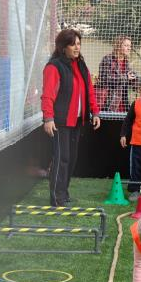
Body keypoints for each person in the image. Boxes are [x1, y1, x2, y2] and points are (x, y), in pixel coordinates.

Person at [41, 28, 101, 207]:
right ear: (63, 46)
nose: (77, 47)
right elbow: (48, 95)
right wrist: (48, 118)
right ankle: (56, 197)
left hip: (76, 121)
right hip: (59, 122)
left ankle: (63, 192)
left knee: (72, 158)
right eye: (73, 44)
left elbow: (89, 90)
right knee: (62, 158)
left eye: (79, 44)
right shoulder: (54, 66)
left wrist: (95, 112)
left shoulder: (80, 64)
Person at [97, 36, 139, 112]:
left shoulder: (126, 62)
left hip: (124, 103)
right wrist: (126, 77)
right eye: (126, 45)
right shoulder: (107, 59)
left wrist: (134, 80)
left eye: (130, 46)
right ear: (118, 45)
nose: (129, 48)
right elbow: (104, 80)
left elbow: (127, 82)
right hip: (110, 101)